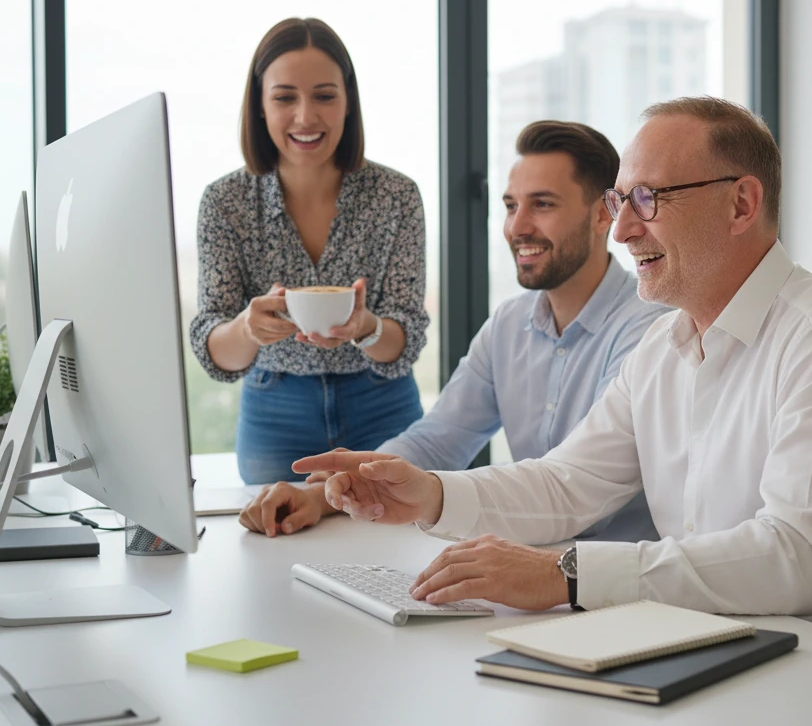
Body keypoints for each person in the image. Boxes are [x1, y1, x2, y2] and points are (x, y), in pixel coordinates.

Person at [297, 97, 812, 652]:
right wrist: (432, 494)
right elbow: (567, 482)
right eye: (619, 200)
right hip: (719, 650)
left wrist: (565, 574)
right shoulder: (665, 345)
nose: (624, 229)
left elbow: (793, 558)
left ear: (741, 203)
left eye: (648, 199)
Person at [240, 120, 670, 542]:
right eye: (510, 206)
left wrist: (435, 495)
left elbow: (579, 491)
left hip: (615, 574)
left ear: (603, 215)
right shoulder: (508, 326)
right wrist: (324, 494)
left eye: (542, 204)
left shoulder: (648, 329)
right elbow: (438, 440)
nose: (517, 227)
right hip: (531, 559)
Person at [189, 17, 429, 485]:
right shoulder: (225, 202)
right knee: (276, 527)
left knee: (396, 528)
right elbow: (214, 349)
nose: (305, 117)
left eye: (324, 96)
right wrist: (249, 328)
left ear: (348, 102)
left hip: (382, 404)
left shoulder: (397, 196)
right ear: (260, 105)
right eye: (285, 98)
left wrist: (367, 327)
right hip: (275, 411)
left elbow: (406, 338)